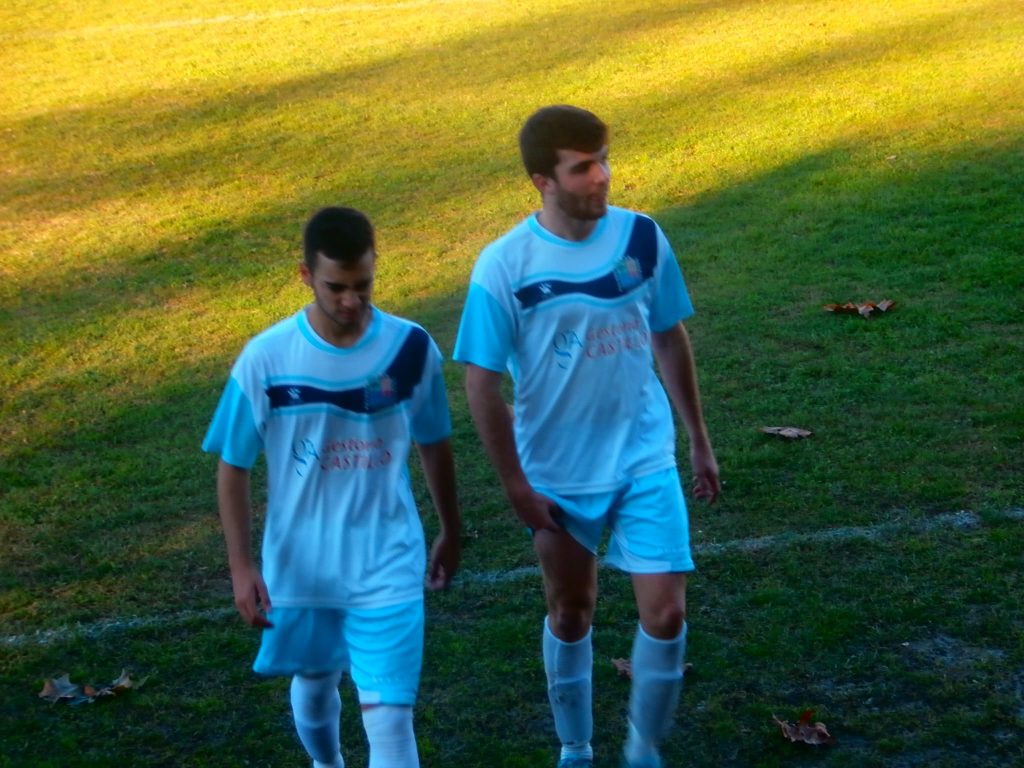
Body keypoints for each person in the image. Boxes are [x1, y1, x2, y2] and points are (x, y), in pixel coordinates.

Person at [453, 105, 719, 768]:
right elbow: (481, 386)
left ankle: (643, 748)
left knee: (667, 615)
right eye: (581, 168)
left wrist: (697, 437)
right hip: (558, 473)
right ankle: (576, 747)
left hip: (644, 456)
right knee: (572, 611)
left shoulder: (641, 238)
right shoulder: (503, 266)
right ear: (542, 181)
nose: (600, 176)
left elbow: (668, 336)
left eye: (603, 160)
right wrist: (516, 486)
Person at [202, 206, 460, 768]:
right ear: (306, 276)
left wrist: (451, 528)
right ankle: (326, 763)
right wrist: (242, 567)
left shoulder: (410, 349)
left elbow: (434, 442)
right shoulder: (266, 359)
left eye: (362, 285)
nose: (351, 301)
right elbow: (233, 466)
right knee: (317, 685)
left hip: (387, 558)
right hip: (302, 565)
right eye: (335, 288)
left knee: (390, 720)